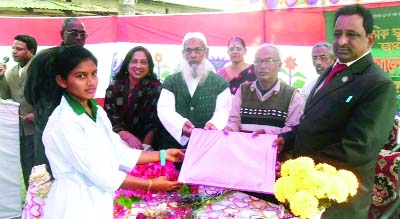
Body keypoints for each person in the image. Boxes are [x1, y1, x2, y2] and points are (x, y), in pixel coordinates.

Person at [275, 4, 397, 219]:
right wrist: (285, 140)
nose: (342, 41)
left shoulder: (378, 84)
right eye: (338, 33)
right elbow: (314, 121)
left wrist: (298, 166)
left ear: (370, 39)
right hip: (307, 191)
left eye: (352, 35)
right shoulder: (333, 69)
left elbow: (358, 148)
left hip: (338, 199)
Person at [41, 45, 183, 219]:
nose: (91, 81)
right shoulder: (63, 122)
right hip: (74, 204)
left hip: (98, 202)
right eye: (81, 76)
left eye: (94, 73)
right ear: (62, 81)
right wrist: (152, 184)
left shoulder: (96, 111)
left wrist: (163, 155)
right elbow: (99, 174)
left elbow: (117, 151)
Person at [157, 32, 232, 149]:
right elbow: (164, 109)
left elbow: (224, 110)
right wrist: (180, 124)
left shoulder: (220, 83)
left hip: (208, 145)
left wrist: (214, 124)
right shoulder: (170, 82)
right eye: (188, 50)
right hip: (173, 147)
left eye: (198, 50)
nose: (193, 55)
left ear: (206, 52)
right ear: (183, 53)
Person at [224, 44, 303, 135]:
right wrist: (230, 128)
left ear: (279, 65)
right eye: (258, 61)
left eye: (269, 61)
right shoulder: (243, 90)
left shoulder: (292, 95)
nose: (262, 66)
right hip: (243, 148)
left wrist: (267, 133)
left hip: (275, 148)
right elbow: (234, 121)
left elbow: (293, 129)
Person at [104, 46, 162, 150]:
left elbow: (155, 123)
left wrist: (143, 148)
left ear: (149, 66)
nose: (138, 66)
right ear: (127, 64)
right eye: (134, 61)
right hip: (117, 140)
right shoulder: (114, 87)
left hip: (146, 144)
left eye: (143, 62)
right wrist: (125, 135)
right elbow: (109, 116)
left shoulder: (156, 88)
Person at [0, 34, 37, 188]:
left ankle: (43, 204)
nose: (14, 52)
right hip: (20, 129)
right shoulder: (12, 72)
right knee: (27, 166)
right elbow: (5, 97)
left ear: (31, 51)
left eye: (19, 49)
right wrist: (1, 79)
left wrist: (38, 114)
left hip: (39, 127)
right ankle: (32, 203)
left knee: (40, 167)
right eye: (13, 48)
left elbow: (50, 97)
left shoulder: (39, 69)